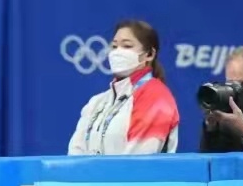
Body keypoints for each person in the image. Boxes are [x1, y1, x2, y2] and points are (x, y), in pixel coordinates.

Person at [68, 19, 179, 155]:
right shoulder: (97, 102)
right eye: (114, 46)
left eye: (127, 46)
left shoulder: (156, 97)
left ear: (149, 54)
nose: (118, 52)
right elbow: (75, 155)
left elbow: (138, 161)